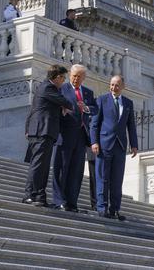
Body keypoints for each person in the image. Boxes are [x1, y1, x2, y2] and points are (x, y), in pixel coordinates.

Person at [23, 64, 73, 207]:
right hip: (41, 131)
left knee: (43, 166)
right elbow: (67, 103)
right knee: (38, 165)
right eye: (63, 78)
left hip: (45, 132)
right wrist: (65, 106)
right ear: (57, 77)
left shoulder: (47, 89)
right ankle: (29, 194)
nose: (64, 81)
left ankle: (40, 196)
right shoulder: (48, 87)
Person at [90, 74, 138, 221]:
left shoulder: (128, 103)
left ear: (122, 86)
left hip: (120, 145)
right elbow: (94, 124)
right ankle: (102, 207)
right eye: (111, 84)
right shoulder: (102, 100)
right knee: (102, 177)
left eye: (117, 85)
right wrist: (94, 142)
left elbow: (131, 125)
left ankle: (115, 209)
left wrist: (134, 144)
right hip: (104, 144)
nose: (113, 87)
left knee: (117, 180)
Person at [53, 64, 97, 212]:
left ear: (84, 78)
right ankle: (59, 200)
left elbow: (95, 108)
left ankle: (72, 202)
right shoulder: (62, 89)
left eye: (79, 76)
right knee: (61, 168)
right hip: (65, 134)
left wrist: (86, 108)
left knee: (77, 171)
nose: (76, 79)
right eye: (74, 75)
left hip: (81, 136)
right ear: (70, 75)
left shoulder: (88, 93)